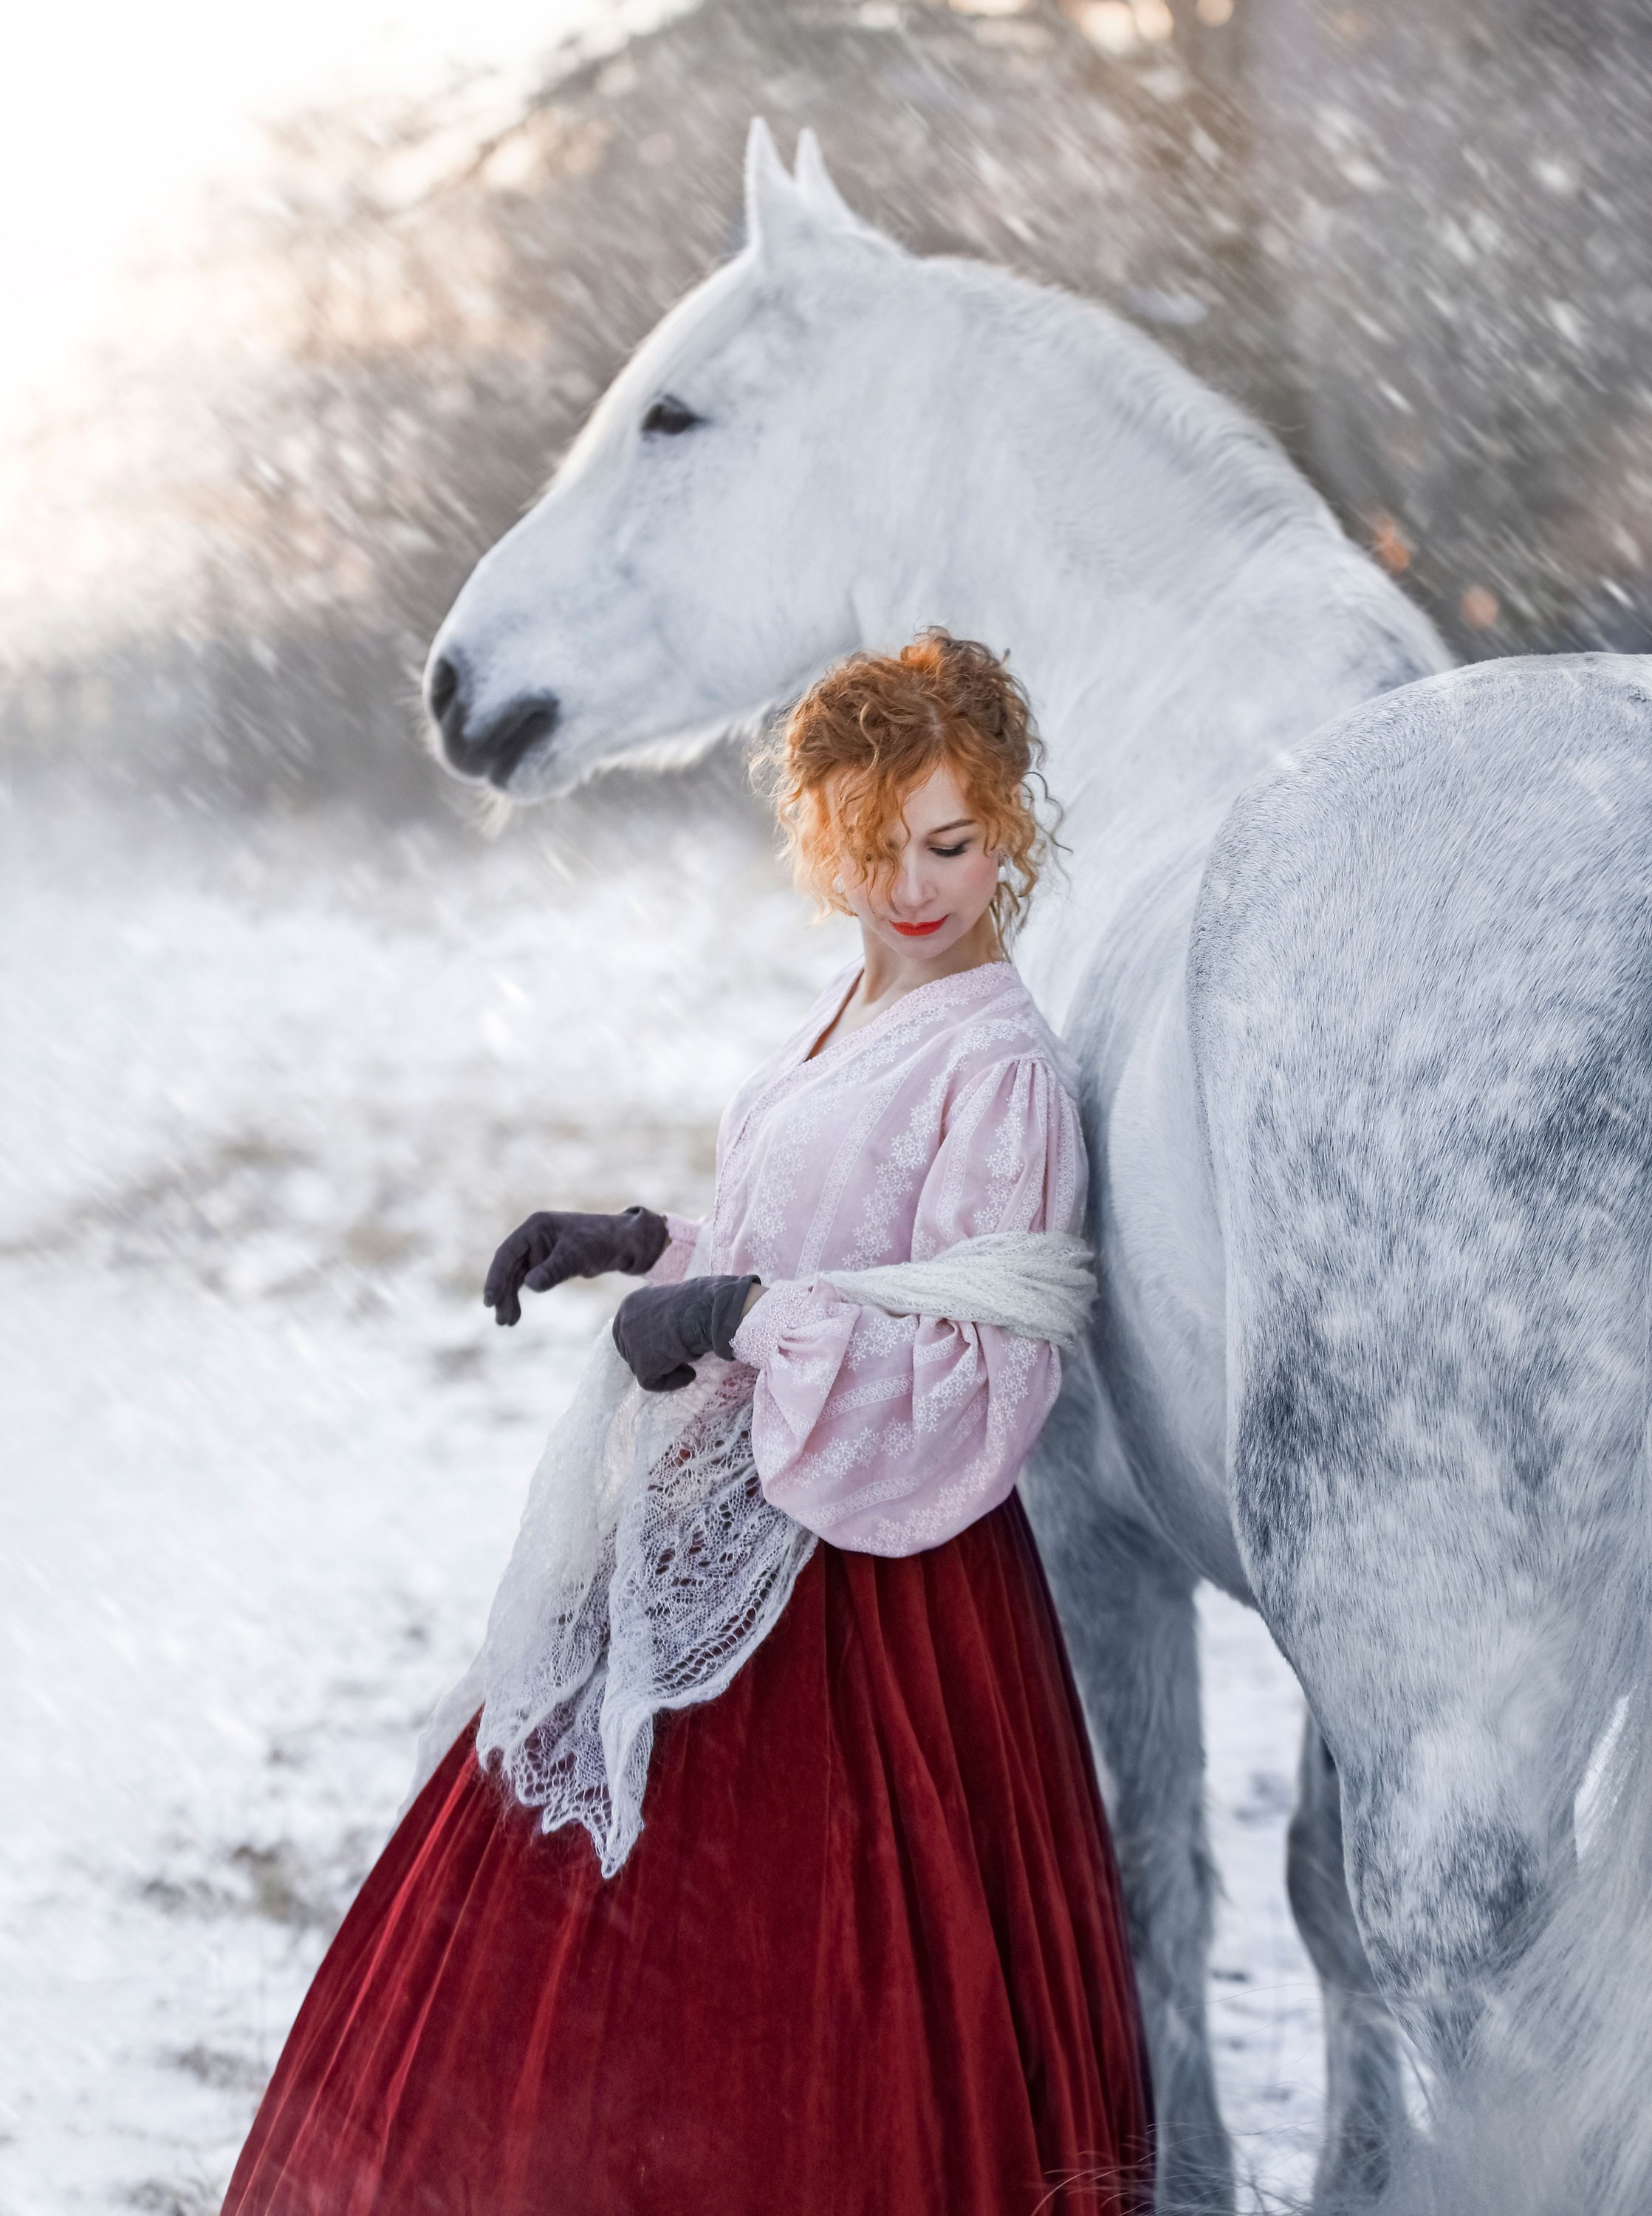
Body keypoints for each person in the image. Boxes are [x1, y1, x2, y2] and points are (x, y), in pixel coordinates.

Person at [221, 631, 1153, 2216]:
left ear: (1012, 825)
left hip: (888, 1592)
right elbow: (802, 1235)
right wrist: (640, 1242)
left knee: (816, 2002)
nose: (917, 886)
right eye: (873, 851)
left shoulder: (1000, 1064)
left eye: (954, 842)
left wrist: (734, 1319)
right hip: (749, 1520)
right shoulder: (859, 1000)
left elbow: (973, 1385)